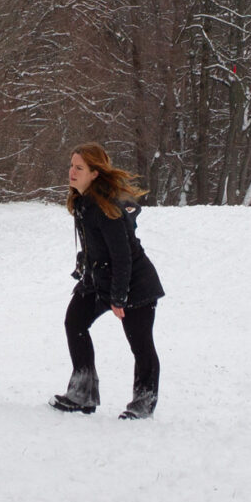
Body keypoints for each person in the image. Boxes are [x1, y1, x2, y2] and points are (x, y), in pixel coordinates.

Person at [51, 144, 165, 420]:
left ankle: (144, 401)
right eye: (72, 165)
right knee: (74, 322)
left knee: (140, 343)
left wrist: (118, 298)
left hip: (134, 283)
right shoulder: (82, 201)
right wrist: (84, 264)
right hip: (98, 279)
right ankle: (82, 392)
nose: (72, 172)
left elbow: (122, 257)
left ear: (95, 173)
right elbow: (96, 245)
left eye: (79, 168)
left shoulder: (106, 208)